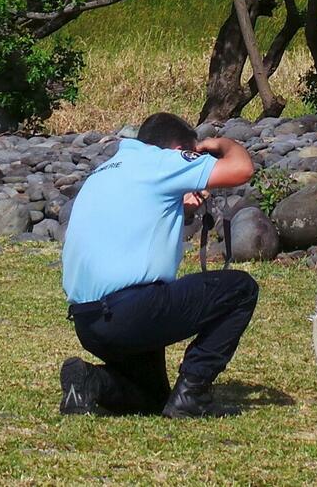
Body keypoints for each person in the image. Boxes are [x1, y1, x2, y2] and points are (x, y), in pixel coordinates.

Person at [59, 112, 258, 418]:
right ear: (181, 151)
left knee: (151, 397)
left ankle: (90, 381)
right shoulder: (163, 162)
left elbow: (134, 224)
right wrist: (221, 143)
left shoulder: (106, 171)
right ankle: (193, 392)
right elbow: (242, 169)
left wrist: (182, 208)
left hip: (89, 322)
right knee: (240, 289)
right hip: (130, 311)